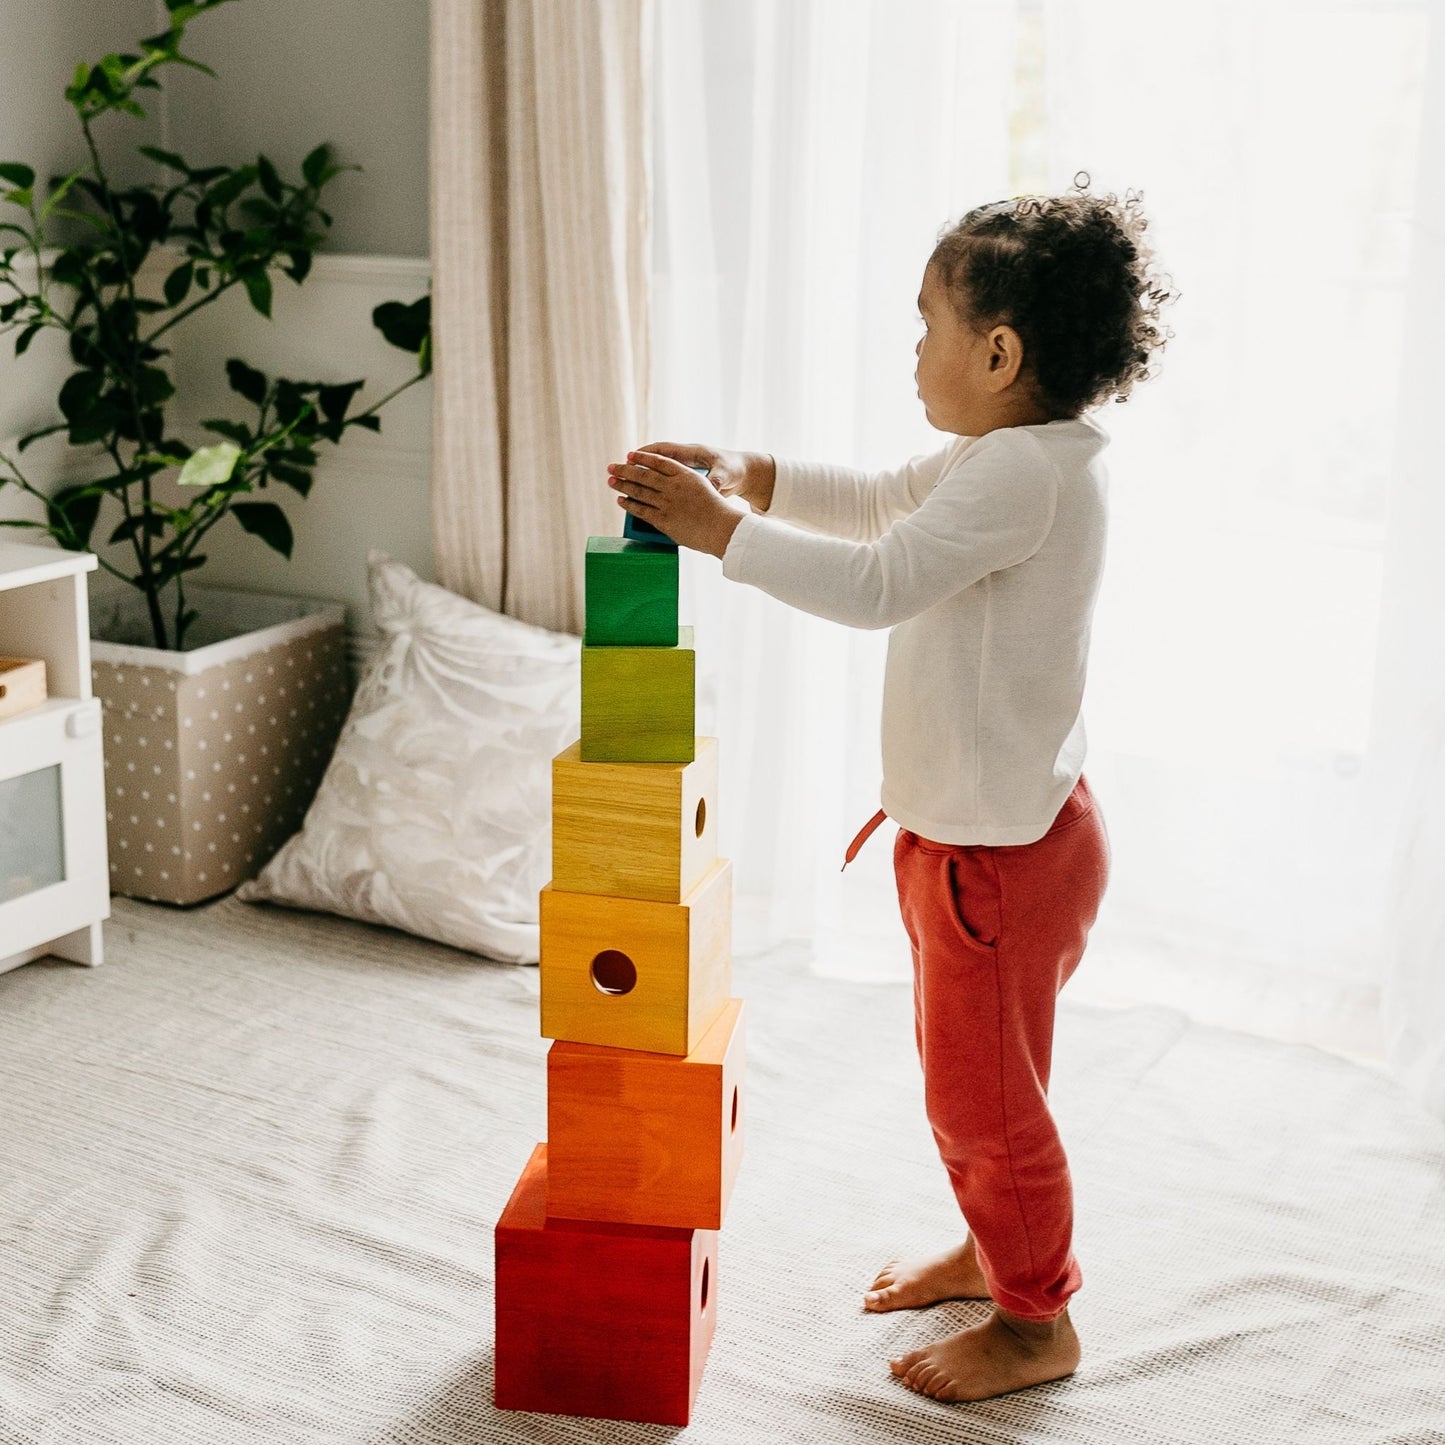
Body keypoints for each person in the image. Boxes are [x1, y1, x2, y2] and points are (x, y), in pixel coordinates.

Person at [605, 178, 1175, 1404]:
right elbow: (875, 504)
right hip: (982, 841)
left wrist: (720, 533)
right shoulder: (1003, 456)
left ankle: (1037, 1322)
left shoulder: (1023, 476)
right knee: (983, 1084)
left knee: (984, 1104)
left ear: (998, 347)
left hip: (999, 863)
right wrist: (750, 473)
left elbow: (876, 580)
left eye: (925, 323)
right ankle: (993, 1247)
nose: (912, 346)